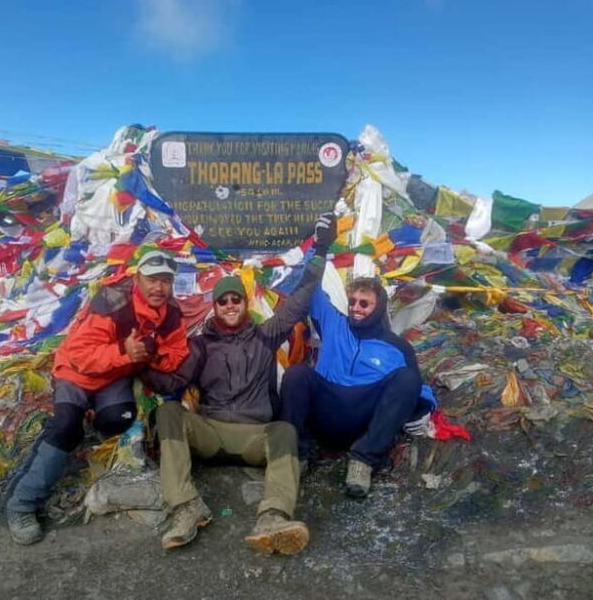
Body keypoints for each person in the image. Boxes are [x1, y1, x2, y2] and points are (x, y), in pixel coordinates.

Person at [142, 213, 336, 555]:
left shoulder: (266, 335)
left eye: (236, 299)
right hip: (211, 433)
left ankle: (273, 518)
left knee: (284, 432)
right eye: (223, 301)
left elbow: (301, 298)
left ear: (245, 304)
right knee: (169, 411)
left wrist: (321, 248)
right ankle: (186, 508)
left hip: (253, 437)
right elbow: (172, 382)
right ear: (215, 307)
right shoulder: (200, 346)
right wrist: (139, 359)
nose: (230, 305)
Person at [6, 250, 190, 544]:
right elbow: (79, 355)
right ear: (137, 278)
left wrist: (152, 352)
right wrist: (123, 352)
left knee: (119, 419)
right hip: (77, 373)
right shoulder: (111, 303)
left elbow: (176, 353)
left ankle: (84, 422)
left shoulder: (171, 315)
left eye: (166, 281)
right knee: (66, 427)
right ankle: (22, 504)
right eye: (152, 280)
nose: (159, 288)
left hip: (114, 376)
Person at [279, 276, 436, 498]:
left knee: (407, 379)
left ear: (379, 307)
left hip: (364, 423)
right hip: (326, 412)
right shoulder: (334, 323)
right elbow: (309, 282)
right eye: (352, 301)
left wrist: (426, 406)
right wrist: (320, 248)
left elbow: (419, 387)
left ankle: (363, 461)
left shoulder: (397, 347)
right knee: (296, 374)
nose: (356, 308)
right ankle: (297, 457)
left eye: (364, 303)